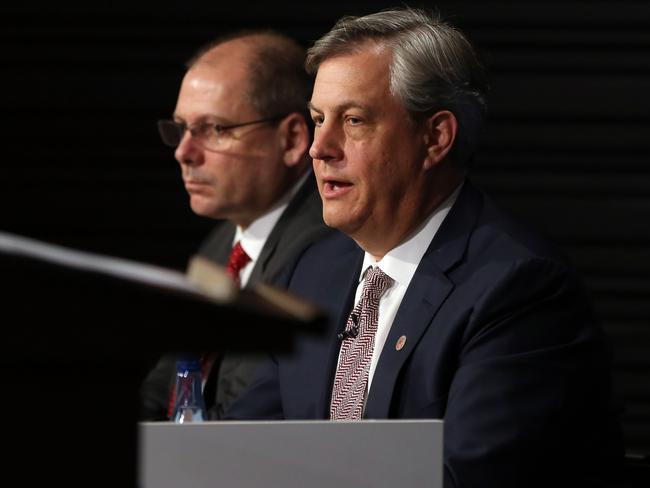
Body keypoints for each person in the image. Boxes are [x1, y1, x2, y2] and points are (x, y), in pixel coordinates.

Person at [225, 9, 623, 487]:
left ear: (435, 137)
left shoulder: (518, 289)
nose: (320, 148)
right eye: (317, 119)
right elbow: (243, 454)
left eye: (353, 120)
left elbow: (461, 478)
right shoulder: (310, 272)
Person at [140, 31, 330, 420]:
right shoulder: (224, 239)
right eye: (180, 128)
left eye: (214, 130)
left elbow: (247, 414)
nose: (183, 152)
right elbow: (163, 389)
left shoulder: (323, 252)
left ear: (292, 138)